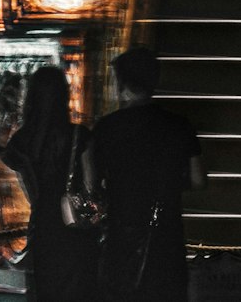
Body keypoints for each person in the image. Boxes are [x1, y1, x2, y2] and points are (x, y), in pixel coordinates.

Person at [88, 46, 204, 302]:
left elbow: (91, 184)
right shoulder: (179, 125)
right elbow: (198, 179)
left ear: (121, 83)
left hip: (121, 234)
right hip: (166, 232)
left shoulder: (106, 128)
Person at [1, 65, 100, 302]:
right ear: (64, 96)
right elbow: (91, 185)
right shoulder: (80, 135)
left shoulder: (22, 140)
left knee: (46, 291)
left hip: (43, 228)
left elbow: (28, 191)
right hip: (77, 231)